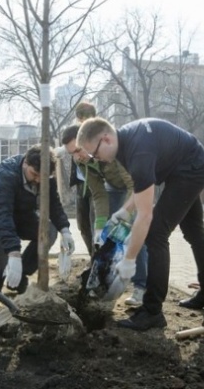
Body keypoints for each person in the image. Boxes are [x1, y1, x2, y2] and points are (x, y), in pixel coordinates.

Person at [76, 117, 204, 331]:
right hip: (182, 166)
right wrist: (124, 211)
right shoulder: (124, 143)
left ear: (105, 139)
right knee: (194, 231)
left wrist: (129, 261)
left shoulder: (138, 152)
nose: (96, 160)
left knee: (156, 234)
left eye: (95, 154)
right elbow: (141, 187)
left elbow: (145, 216)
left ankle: (153, 311)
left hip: (191, 168)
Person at [61, 124, 147, 306]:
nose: (77, 157)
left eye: (78, 150)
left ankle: (141, 286)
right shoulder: (81, 161)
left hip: (138, 183)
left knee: (134, 233)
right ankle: (105, 282)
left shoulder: (112, 149)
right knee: (107, 235)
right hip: (114, 188)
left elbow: (133, 186)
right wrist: (100, 227)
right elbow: (98, 194)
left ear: (87, 142)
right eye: (72, 154)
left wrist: (128, 221)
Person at [0, 145, 74, 294]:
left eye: (42, 177)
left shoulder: (46, 178)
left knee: (49, 231)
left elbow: (53, 205)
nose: (38, 180)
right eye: (34, 174)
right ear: (26, 163)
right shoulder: (5, 175)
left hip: (22, 214)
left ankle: (20, 275)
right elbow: (2, 215)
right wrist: (13, 253)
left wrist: (65, 230)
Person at [69, 101, 97, 255]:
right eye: (81, 117)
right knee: (83, 225)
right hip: (81, 185)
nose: (83, 120)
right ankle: (93, 257)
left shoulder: (98, 132)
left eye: (87, 116)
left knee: (95, 224)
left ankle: (97, 263)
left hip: (96, 185)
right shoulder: (74, 132)